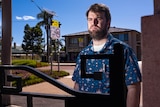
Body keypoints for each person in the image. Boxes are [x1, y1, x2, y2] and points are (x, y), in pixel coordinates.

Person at [72, 3, 142, 107]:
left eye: (98, 18)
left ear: (108, 23)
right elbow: (77, 85)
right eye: (90, 19)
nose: (93, 22)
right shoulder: (83, 54)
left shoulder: (123, 50)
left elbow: (133, 87)